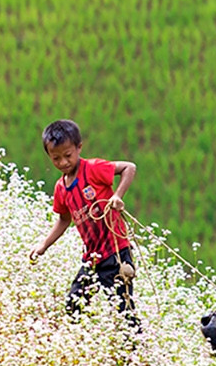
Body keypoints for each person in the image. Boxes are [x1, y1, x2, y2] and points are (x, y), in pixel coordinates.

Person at [27, 118, 141, 327]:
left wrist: (117, 195)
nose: (63, 163)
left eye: (68, 156)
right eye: (56, 158)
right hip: (92, 258)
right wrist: (43, 245)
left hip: (116, 253)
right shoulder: (61, 188)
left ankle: (136, 352)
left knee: (123, 311)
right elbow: (64, 219)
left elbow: (129, 168)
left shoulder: (94, 169)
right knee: (74, 305)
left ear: (79, 148)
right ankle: (81, 343)